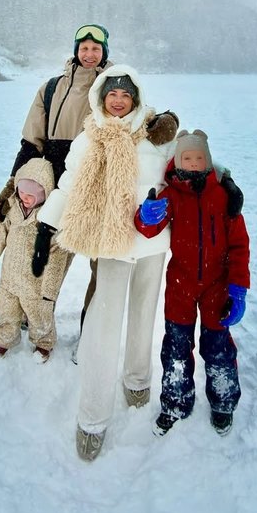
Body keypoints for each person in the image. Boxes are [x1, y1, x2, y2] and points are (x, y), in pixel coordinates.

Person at [31, 65, 177, 461]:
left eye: (125, 95)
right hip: (110, 242)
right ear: (100, 97)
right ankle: (92, 418)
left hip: (150, 243)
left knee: (145, 316)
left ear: (135, 98)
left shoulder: (156, 134)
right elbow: (68, 184)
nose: (118, 100)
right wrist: (47, 226)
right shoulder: (88, 138)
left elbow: (190, 166)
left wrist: (223, 182)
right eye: (111, 94)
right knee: (101, 326)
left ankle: (137, 382)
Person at [0, 24, 112, 346]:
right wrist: (13, 184)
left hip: (97, 181)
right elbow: (32, 142)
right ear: (76, 50)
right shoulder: (51, 88)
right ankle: (34, 314)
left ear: (104, 53)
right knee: (40, 251)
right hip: (54, 180)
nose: (89, 54)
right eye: (84, 48)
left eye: (95, 49)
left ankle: (95, 333)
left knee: (102, 263)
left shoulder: (115, 88)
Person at [134, 129, 250, 437]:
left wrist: (238, 289)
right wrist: (145, 216)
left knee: (218, 349)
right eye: (188, 157)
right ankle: (174, 403)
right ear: (178, 161)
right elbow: (149, 228)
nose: (194, 163)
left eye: (200, 158)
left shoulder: (225, 196)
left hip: (218, 287)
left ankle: (223, 403)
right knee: (175, 349)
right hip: (181, 285)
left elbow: (240, 245)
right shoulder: (172, 194)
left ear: (209, 161)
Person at [0, 157, 71, 362]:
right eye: (21, 192)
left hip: (35, 285)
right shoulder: (13, 211)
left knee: (40, 317)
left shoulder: (50, 220)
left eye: (31, 195)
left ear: (44, 193)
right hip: (9, 280)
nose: (25, 198)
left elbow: (57, 257)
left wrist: (49, 291)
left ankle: (43, 344)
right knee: (4, 312)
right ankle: (4, 340)